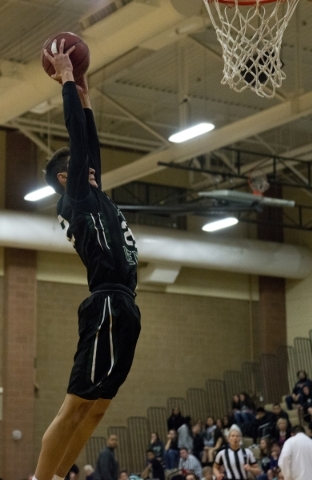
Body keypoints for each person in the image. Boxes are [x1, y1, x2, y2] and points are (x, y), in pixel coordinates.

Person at [32, 38, 141, 480]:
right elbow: (78, 138)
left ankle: (58, 476)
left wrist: (87, 95)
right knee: (77, 402)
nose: (91, 165)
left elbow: (89, 143)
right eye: (80, 164)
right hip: (106, 304)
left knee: (96, 411)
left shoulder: (95, 192)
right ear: (66, 176)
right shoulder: (75, 197)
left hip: (126, 306)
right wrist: (67, 82)